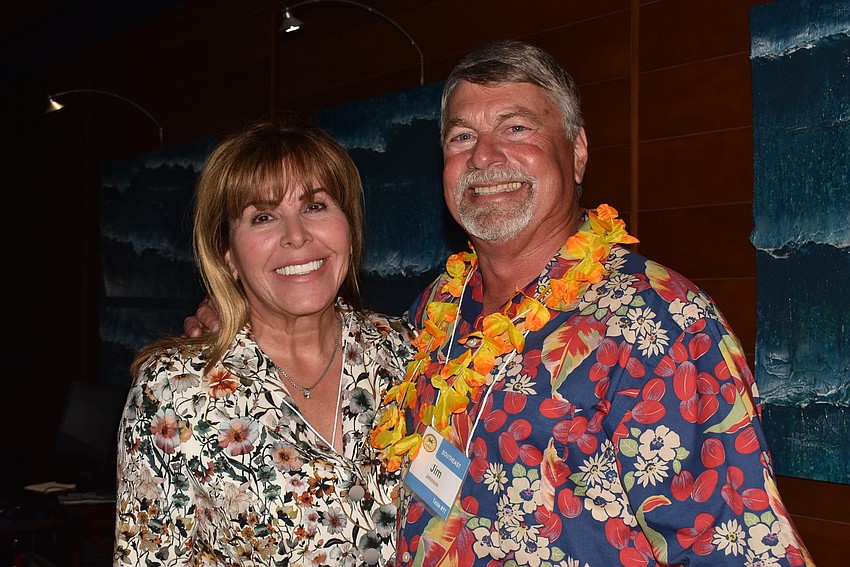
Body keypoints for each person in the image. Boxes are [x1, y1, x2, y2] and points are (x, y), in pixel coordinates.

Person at [187, 41, 814, 566]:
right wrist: (239, 320)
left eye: (516, 127)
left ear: (576, 152)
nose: (485, 157)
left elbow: (742, 546)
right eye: (463, 136)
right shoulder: (434, 311)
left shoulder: (660, 322)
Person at [115, 114, 413, 566]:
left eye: (315, 206)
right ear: (227, 254)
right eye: (263, 216)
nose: (296, 236)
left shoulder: (406, 353)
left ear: (349, 230)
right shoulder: (172, 392)